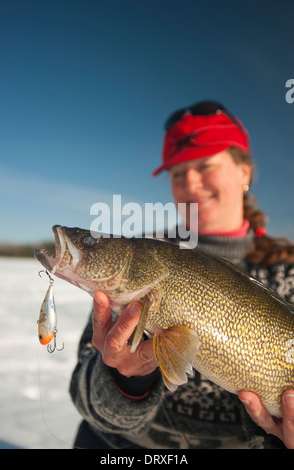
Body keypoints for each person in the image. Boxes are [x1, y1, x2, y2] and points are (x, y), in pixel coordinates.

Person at [70, 100, 294, 449]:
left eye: (205, 165)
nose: (190, 182)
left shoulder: (287, 275)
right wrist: (125, 380)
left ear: (244, 172)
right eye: (177, 173)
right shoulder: (144, 259)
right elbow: (87, 399)